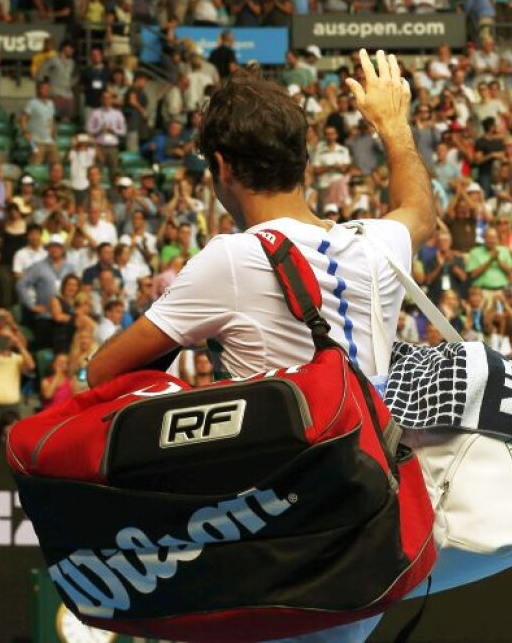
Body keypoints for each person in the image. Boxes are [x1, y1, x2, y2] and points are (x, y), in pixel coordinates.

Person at [85, 49, 434, 643]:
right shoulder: (377, 245)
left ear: (221, 166)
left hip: (275, 544)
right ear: (303, 160)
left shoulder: (234, 257)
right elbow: (419, 211)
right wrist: (393, 126)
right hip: (368, 533)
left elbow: (103, 372)